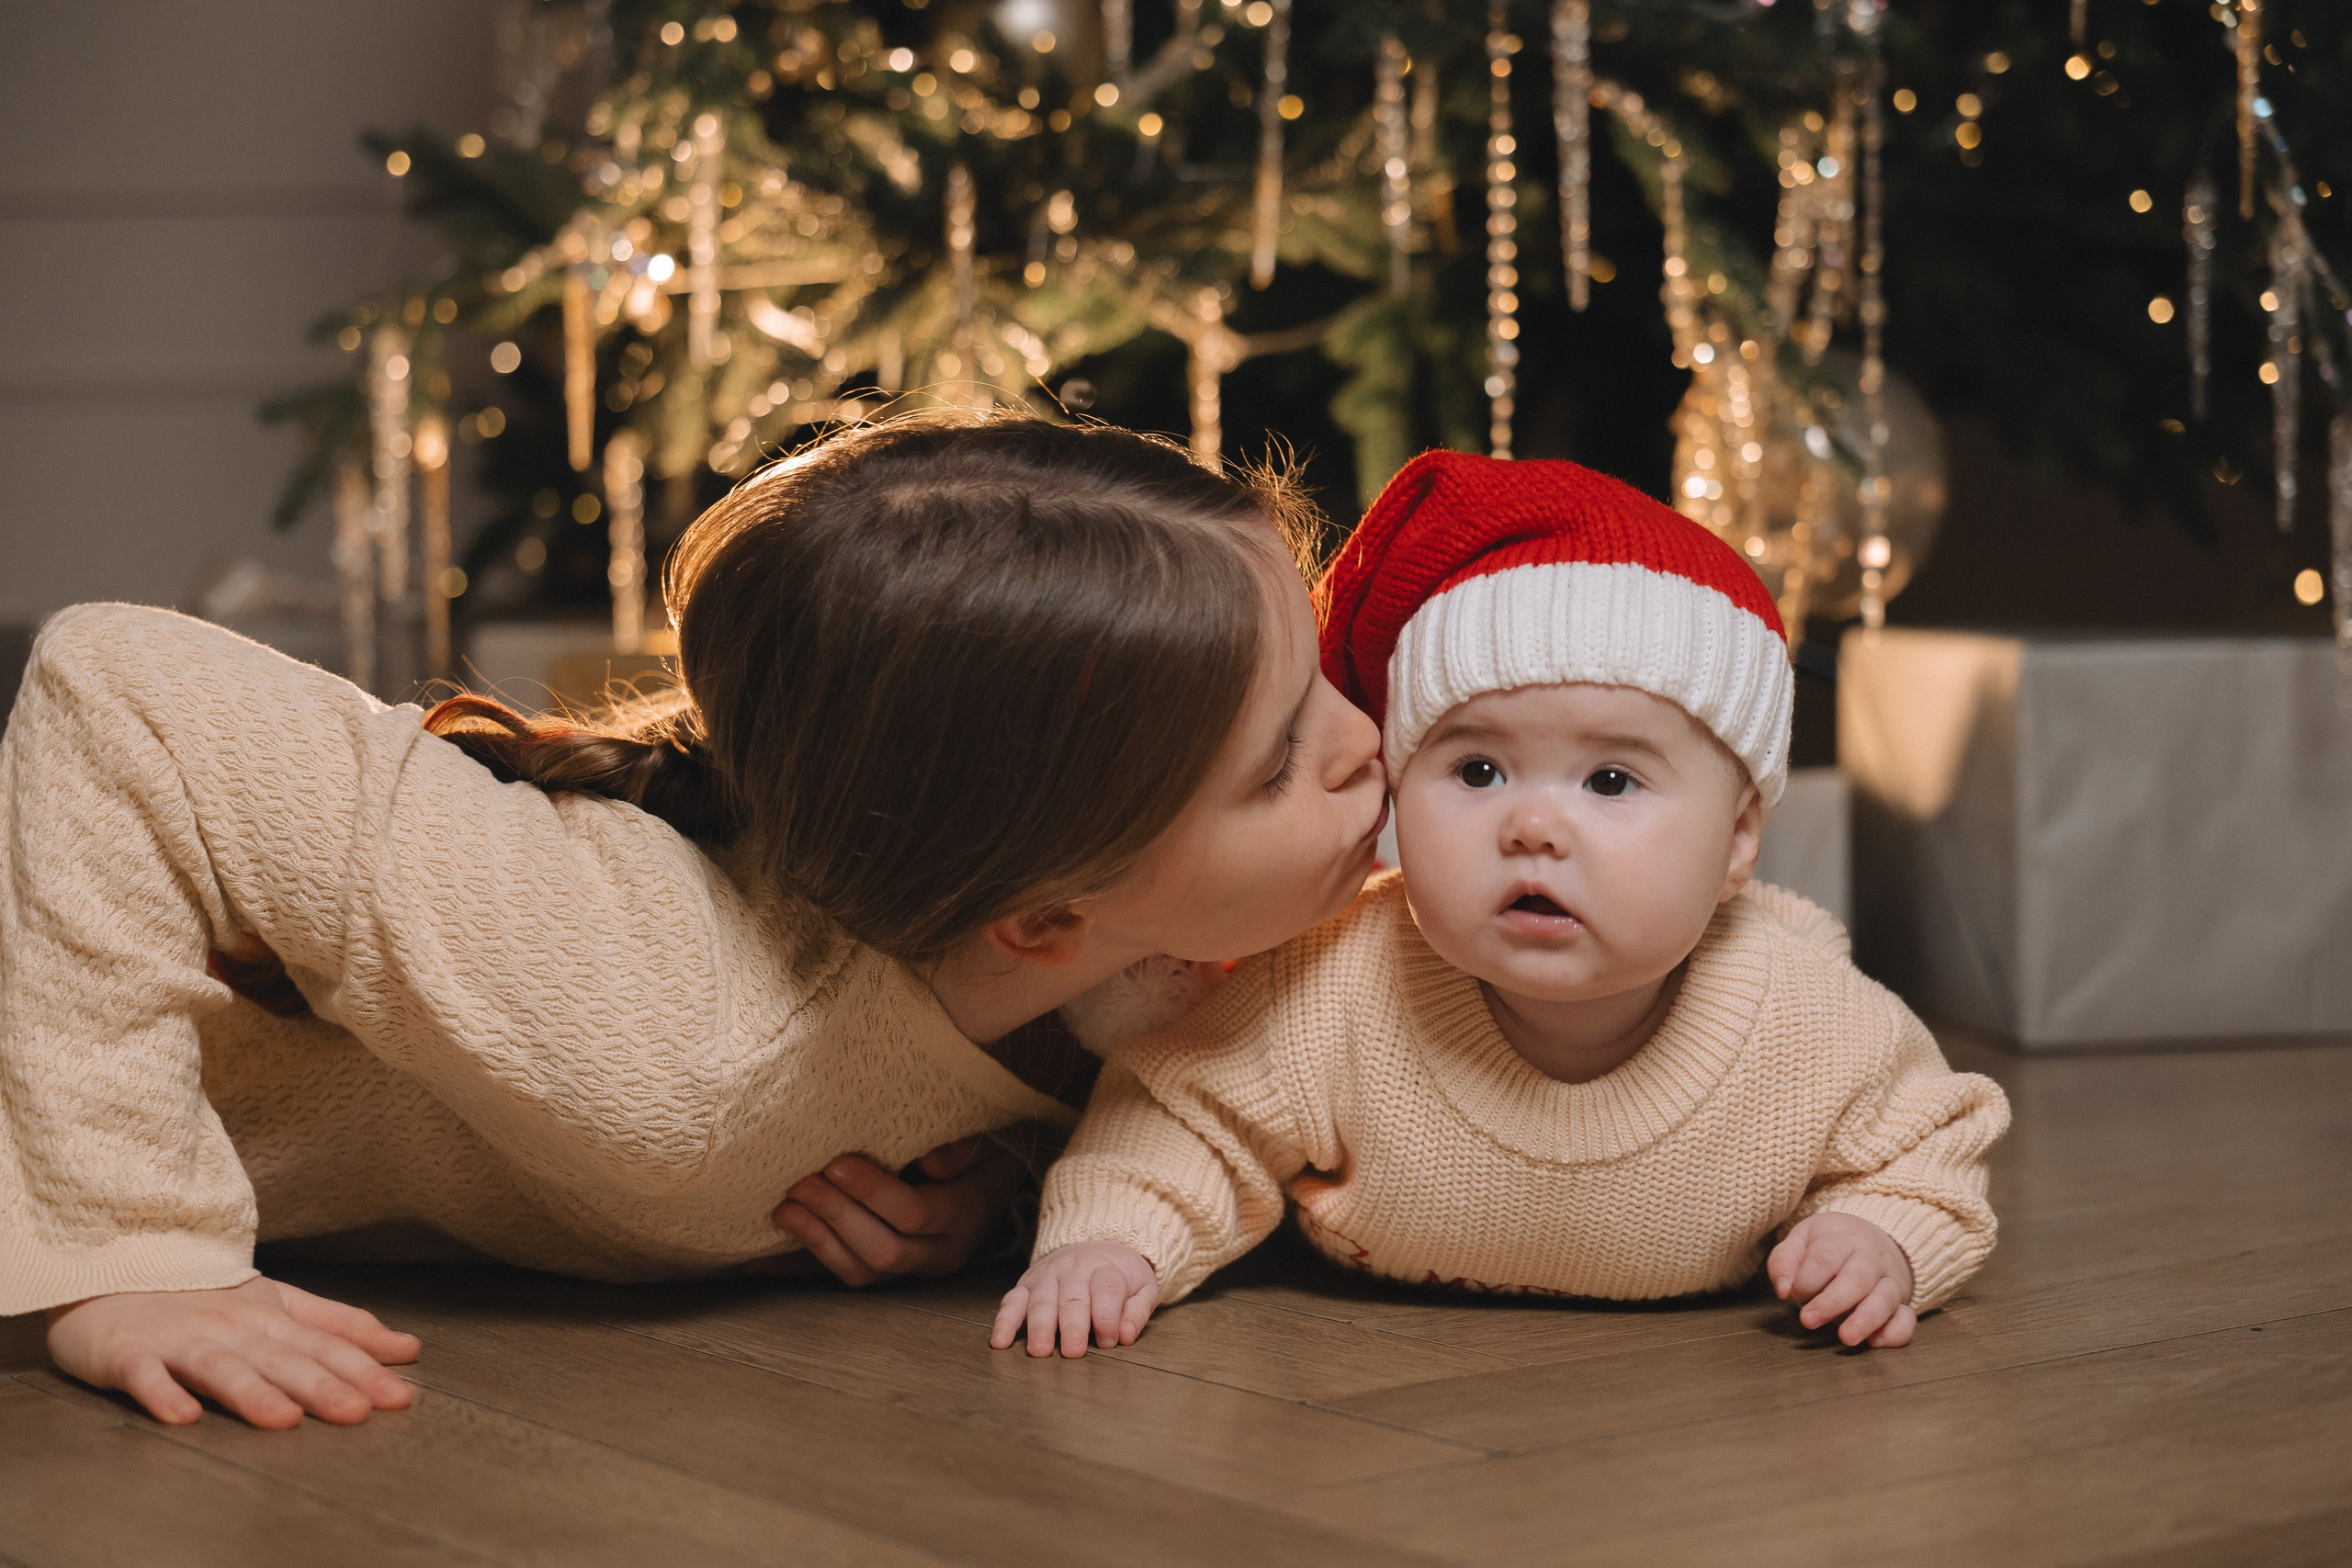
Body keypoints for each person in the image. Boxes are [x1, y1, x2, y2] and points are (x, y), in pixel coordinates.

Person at [0, 413, 1389, 1428]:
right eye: (1278, 762)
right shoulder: (657, 1016)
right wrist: (134, 1247)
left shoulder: (1076, 960)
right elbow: (114, 685)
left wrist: (1001, 1199)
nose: (1364, 742)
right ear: (1039, 914)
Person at [993, 450, 2012, 1359]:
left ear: (1739, 838)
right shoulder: (1332, 982)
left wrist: (1880, 1240)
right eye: (1476, 769)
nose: (1531, 826)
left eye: (1610, 783)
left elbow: (1925, 1153)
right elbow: (1183, 1117)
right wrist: (1109, 1245)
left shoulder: (1805, 1020)